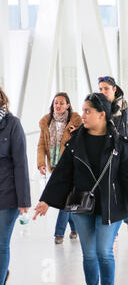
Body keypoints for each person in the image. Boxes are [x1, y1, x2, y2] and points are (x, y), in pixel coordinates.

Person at [33, 92, 128, 285]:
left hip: (111, 204)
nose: (83, 115)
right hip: (81, 203)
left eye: (88, 111)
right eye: (83, 110)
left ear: (102, 114)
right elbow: (62, 174)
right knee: (90, 255)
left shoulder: (120, 144)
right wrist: (46, 200)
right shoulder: (75, 142)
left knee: (104, 252)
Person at [98, 76, 128, 236]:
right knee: (108, 191)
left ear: (114, 89)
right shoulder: (98, 107)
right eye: (101, 89)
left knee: (124, 187)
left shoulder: (126, 107)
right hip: (105, 155)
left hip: (124, 154)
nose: (103, 92)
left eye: (106, 88)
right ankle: (114, 231)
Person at [37, 92, 82, 244]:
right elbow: (41, 145)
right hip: (54, 166)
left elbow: (80, 142)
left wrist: (74, 131)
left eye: (62, 103)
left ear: (68, 105)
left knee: (65, 200)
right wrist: (41, 163)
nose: (59, 105)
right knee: (67, 201)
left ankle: (59, 233)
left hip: (70, 167)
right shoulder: (47, 122)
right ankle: (75, 228)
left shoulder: (75, 122)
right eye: (56, 103)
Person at [0, 87, 31, 285]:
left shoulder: (12, 124)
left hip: (7, 194)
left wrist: (24, 200)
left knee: (1, 243)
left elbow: (21, 163)